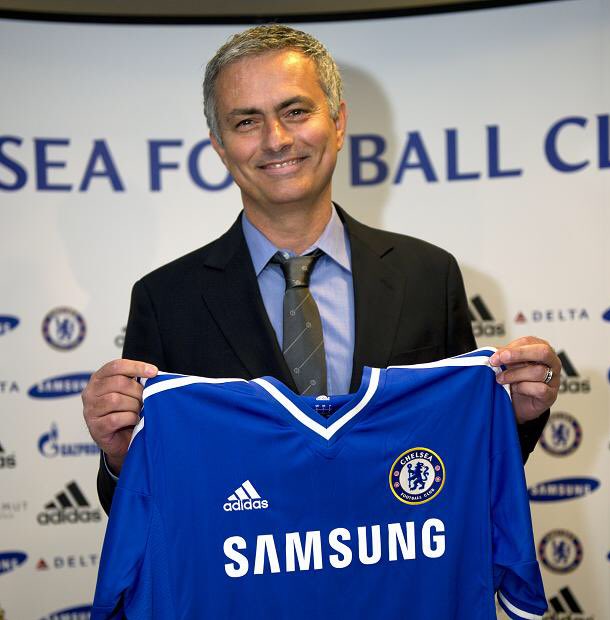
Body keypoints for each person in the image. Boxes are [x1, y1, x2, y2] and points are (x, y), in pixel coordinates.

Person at [82, 24, 561, 514]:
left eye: (295, 111)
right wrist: (119, 456)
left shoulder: (427, 277)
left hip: (398, 561)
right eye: (246, 121)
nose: (276, 139)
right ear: (220, 146)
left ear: (338, 122)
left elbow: (467, 458)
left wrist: (517, 417)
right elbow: (145, 510)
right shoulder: (166, 302)